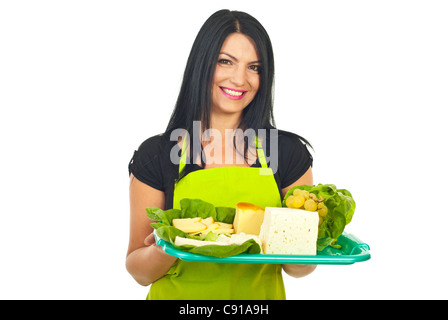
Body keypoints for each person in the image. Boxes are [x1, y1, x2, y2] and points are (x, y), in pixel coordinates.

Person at [126, 9, 316, 300]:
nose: (240, 79)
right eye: (225, 62)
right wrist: (169, 247)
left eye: (255, 67)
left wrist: (302, 239)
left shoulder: (287, 153)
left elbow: (299, 270)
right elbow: (139, 271)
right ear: (202, 65)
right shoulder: (159, 154)